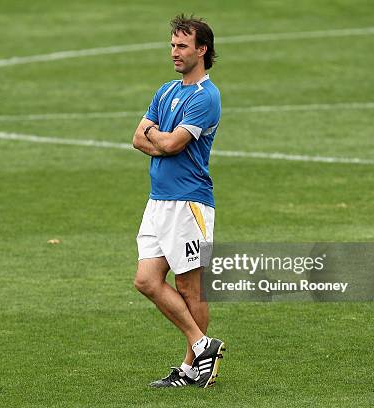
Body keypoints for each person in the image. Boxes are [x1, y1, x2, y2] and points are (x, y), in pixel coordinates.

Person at [132, 14, 225, 388]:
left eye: (182, 45)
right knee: (145, 280)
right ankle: (204, 345)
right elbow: (136, 139)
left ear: (202, 50)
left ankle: (191, 369)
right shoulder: (166, 91)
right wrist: (156, 135)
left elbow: (168, 144)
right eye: (172, 45)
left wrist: (154, 132)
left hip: (189, 203)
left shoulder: (207, 97)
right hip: (158, 203)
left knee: (189, 287)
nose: (175, 52)